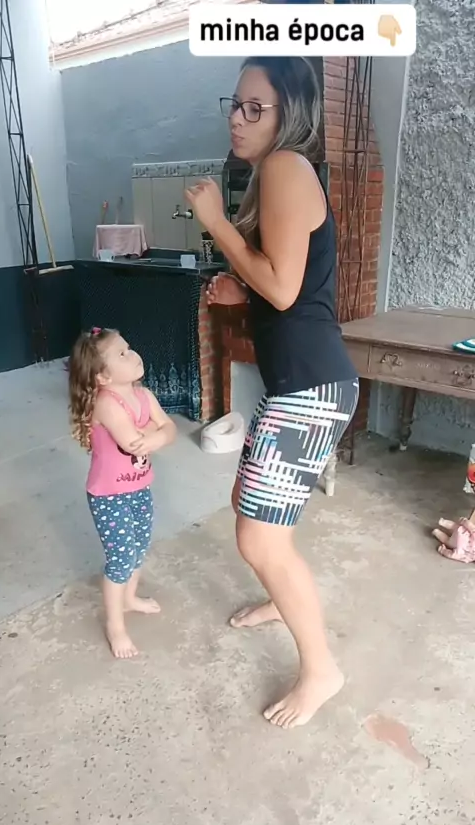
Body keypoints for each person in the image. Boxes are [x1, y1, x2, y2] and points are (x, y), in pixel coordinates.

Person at [185, 57, 359, 729]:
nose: (237, 117)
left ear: (291, 115)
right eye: (234, 104)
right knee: (252, 511)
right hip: (302, 381)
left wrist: (215, 221)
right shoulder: (277, 174)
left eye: (255, 108)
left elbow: (284, 289)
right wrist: (243, 292)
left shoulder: (286, 167)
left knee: (258, 539)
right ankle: (283, 601)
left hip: (310, 388)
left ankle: (322, 670)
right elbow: (288, 287)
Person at [68, 327, 176, 659]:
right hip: (109, 495)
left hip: (139, 486)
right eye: (122, 354)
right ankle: (115, 626)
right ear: (102, 376)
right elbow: (132, 442)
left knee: (139, 546)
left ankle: (129, 599)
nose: (133, 355)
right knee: (121, 560)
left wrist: (156, 434)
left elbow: (170, 428)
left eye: (129, 348)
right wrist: (155, 433)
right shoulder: (106, 404)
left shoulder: (144, 396)